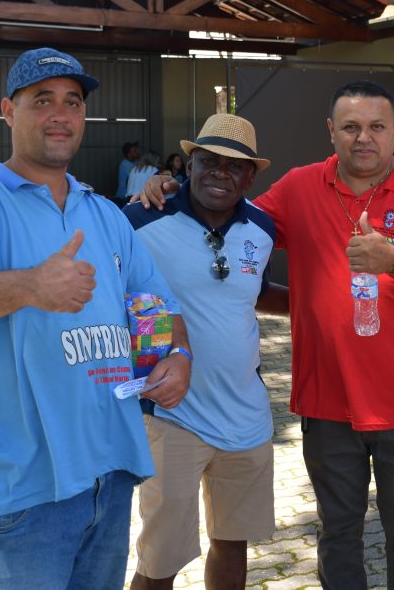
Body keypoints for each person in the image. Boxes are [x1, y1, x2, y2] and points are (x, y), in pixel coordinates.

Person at [140, 81, 394, 589]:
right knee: (337, 533)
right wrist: (166, 188)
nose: (363, 138)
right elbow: (228, 218)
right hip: (325, 402)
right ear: (331, 130)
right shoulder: (298, 187)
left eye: (376, 127)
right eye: (351, 127)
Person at [0, 47, 193, 590]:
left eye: (72, 102)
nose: (60, 114)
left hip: (109, 477)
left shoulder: (105, 213)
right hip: (17, 493)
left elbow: (157, 303)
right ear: (8, 112)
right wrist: (31, 285)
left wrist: (178, 355)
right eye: (42, 100)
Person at [124, 114, 289, 590]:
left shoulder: (261, 229)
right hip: (171, 415)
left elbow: (251, 292)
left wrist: (318, 305)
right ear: (188, 164)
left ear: (250, 176)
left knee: (232, 544)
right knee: (160, 559)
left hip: (245, 417)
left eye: (234, 165)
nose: (220, 172)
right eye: (208, 161)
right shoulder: (141, 219)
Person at [114, 140, 140, 205]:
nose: (137, 152)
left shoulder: (136, 162)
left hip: (130, 196)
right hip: (123, 196)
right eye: (135, 151)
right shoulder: (125, 165)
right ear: (128, 154)